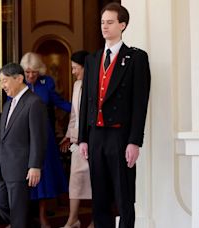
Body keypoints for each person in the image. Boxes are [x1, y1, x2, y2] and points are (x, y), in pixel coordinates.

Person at [78, 3, 151, 228]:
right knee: (99, 197)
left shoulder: (136, 58)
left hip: (120, 136)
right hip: (96, 136)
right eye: (102, 22)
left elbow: (140, 104)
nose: (104, 27)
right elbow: (85, 103)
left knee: (124, 196)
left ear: (123, 25)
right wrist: (82, 138)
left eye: (110, 22)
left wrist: (134, 141)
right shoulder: (92, 59)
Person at [0, 63, 48, 228]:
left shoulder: (34, 102)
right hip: (3, 167)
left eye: (4, 81)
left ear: (18, 79)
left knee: (18, 211)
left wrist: (35, 166)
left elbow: (38, 137)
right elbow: (2, 140)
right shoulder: (8, 104)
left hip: (21, 167)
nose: (2, 86)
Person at [20, 52, 70, 228]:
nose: (30, 76)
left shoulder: (46, 82)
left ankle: (42, 217)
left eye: (34, 72)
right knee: (21, 175)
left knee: (44, 175)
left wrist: (80, 109)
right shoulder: (18, 82)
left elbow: (57, 101)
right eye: (27, 72)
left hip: (44, 133)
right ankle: (21, 217)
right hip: (23, 134)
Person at [59, 50, 93, 228]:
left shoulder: (96, 84)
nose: (73, 72)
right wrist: (68, 136)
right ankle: (73, 219)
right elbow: (74, 115)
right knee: (75, 179)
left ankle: (96, 221)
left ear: (85, 67)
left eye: (75, 68)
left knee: (97, 181)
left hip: (94, 140)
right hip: (78, 141)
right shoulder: (77, 85)